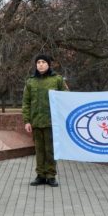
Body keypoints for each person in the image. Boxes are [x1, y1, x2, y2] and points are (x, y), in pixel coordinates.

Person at [22, 54, 68, 187]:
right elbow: (26, 102)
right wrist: (27, 121)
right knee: (39, 150)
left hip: (52, 122)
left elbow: (65, 99)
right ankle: (40, 175)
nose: (40, 64)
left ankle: (51, 175)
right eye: (38, 62)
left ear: (48, 64)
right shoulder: (30, 81)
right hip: (36, 121)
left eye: (43, 62)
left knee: (50, 150)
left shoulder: (57, 80)